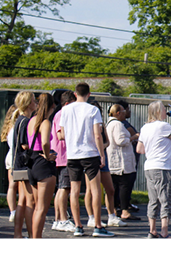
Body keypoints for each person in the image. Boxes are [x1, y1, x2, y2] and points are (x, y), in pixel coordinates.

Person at [58, 83, 113, 237]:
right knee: (95, 190)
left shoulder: (66, 110)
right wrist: (101, 154)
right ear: (89, 94)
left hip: (73, 154)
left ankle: (78, 226)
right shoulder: (93, 110)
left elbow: (62, 133)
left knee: (74, 191)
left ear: (75, 94)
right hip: (90, 153)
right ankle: (97, 225)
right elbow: (97, 134)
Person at [137, 101, 171, 238]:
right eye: (165, 109)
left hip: (150, 167)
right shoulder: (163, 126)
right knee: (165, 200)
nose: (166, 112)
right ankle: (164, 230)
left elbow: (139, 149)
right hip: (163, 167)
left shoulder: (145, 127)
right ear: (159, 112)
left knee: (153, 200)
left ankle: (152, 229)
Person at [26, 93, 58, 265]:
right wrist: (48, 156)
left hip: (32, 164)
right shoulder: (45, 122)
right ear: (52, 106)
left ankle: (33, 239)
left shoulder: (32, 120)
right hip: (43, 164)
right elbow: (45, 142)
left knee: (35, 205)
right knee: (41, 209)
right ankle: (36, 244)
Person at [83, 101, 123, 228]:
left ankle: (111, 215)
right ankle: (91, 217)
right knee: (91, 190)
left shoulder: (102, 125)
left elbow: (107, 141)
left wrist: (101, 147)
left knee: (110, 189)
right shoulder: (85, 126)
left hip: (102, 157)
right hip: (90, 157)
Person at [106, 103, 140, 221]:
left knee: (114, 187)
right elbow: (120, 141)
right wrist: (133, 137)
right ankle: (124, 210)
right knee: (124, 186)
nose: (126, 114)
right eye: (124, 112)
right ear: (118, 113)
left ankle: (114, 209)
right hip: (121, 162)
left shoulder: (109, 123)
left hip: (114, 160)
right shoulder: (117, 124)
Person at [11, 91, 36, 242]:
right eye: (34, 101)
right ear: (28, 104)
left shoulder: (19, 120)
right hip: (24, 165)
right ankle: (31, 233)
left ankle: (18, 233)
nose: (36, 103)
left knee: (22, 201)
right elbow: (24, 144)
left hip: (18, 164)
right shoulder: (26, 121)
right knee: (30, 201)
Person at [51, 91, 77, 233]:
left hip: (61, 155)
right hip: (64, 155)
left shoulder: (59, 114)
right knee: (64, 188)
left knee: (61, 188)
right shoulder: (62, 114)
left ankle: (58, 219)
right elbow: (61, 134)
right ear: (67, 104)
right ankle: (62, 220)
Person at [116, 100, 141, 214]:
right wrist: (134, 137)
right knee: (125, 183)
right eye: (128, 109)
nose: (129, 111)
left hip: (129, 157)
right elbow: (133, 135)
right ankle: (123, 206)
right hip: (126, 159)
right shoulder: (122, 124)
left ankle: (124, 204)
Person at [0, 105, 19, 223]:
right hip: (16, 156)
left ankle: (13, 211)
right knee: (20, 187)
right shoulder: (18, 126)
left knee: (11, 186)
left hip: (10, 156)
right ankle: (18, 210)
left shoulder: (8, 127)